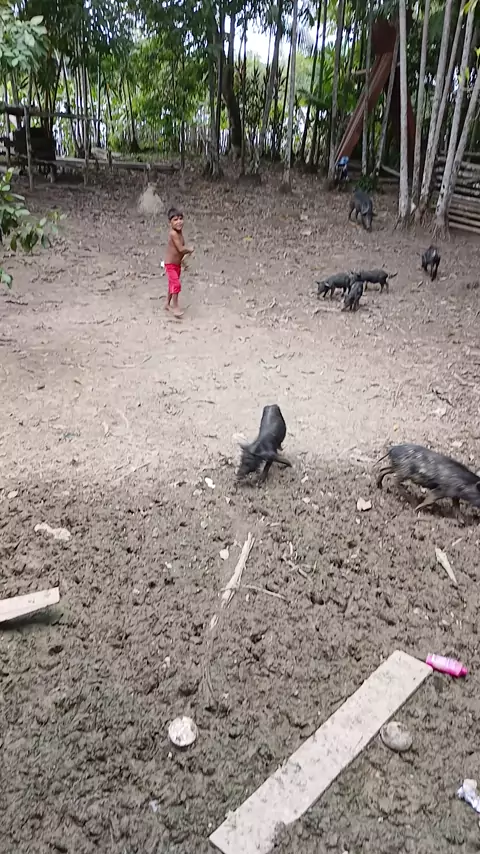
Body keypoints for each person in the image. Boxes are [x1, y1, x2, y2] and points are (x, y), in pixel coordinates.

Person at [164, 207, 194, 317]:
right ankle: (175, 307)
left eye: (181, 219)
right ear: (170, 223)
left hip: (177, 265)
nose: (179, 222)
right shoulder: (173, 234)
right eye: (175, 220)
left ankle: (167, 304)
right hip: (170, 265)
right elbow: (181, 249)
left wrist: (184, 263)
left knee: (172, 285)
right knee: (176, 284)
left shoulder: (180, 234)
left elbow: (180, 253)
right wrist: (189, 249)